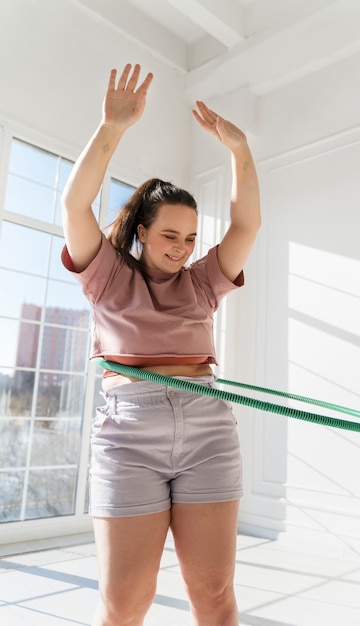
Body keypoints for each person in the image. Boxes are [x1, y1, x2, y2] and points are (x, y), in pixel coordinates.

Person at [61, 63, 261, 626]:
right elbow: (75, 209)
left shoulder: (202, 282)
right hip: (129, 434)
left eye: (191, 238)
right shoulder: (106, 277)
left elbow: (246, 226)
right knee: (125, 601)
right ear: (142, 230)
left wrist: (240, 149)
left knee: (214, 593)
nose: (181, 248)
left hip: (207, 431)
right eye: (170, 235)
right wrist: (111, 127)